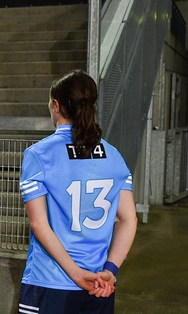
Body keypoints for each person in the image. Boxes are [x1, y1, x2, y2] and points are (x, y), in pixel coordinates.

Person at [19, 70, 138, 314]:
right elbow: (128, 219)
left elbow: (39, 225)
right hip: (99, 284)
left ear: (56, 105)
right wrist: (109, 271)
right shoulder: (114, 155)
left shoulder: (39, 154)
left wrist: (76, 274)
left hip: (50, 281)